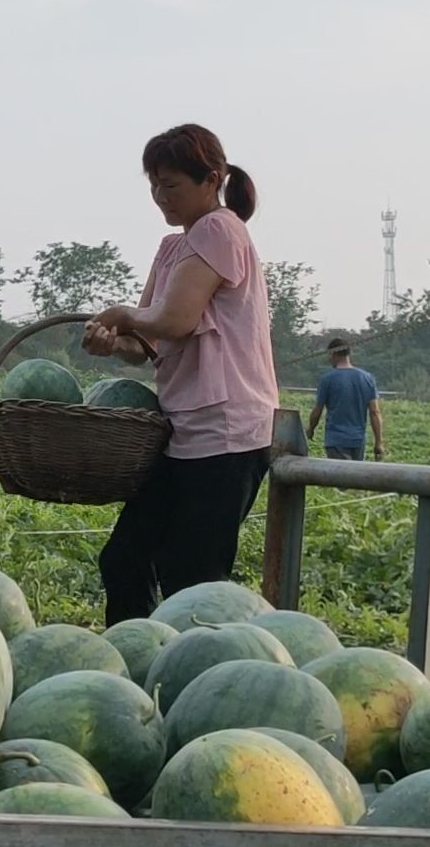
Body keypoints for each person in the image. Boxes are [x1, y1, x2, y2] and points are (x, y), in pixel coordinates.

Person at [82, 124, 279, 626]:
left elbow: (175, 319)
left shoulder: (220, 228)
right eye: (154, 185)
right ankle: (140, 660)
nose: (159, 197)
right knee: (125, 556)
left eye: (171, 185)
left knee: (192, 579)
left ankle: (195, 684)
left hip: (227, 431)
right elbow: (146, 343)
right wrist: (114, 341)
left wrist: (124, 313)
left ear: (211, 180)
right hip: (182, 430)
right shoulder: (173, 248)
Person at [307, 337, 385, 461]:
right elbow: (375, 412)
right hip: (358, 441)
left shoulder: (328, 379)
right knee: (355, 478)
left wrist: (311, 429)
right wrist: (379, 442)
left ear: (333, 353)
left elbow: (318, 410)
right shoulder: (367, 378)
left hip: (336, 440)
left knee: (339, 479)